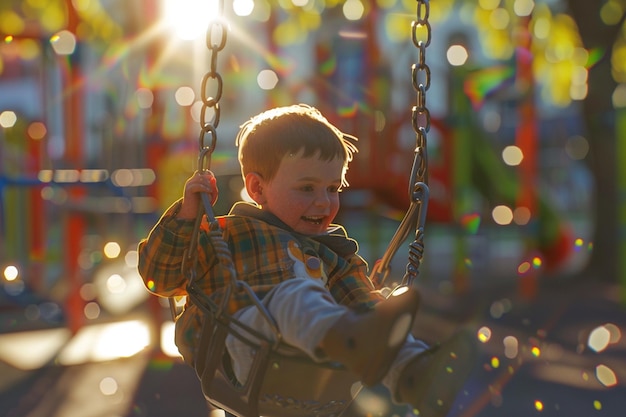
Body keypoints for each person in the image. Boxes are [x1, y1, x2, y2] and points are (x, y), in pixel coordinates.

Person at [138, 104, 475, 417]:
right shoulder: (228, 233)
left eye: (333, 188)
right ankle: (346, 339)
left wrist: (387, 326)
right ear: (257, 188)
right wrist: (186, 217)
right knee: (293, 295)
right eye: (307, 188)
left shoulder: (332, 253)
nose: (324, 202)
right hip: (240, 351)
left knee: (379, 313)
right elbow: (161, 275)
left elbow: (363, 306)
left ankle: (414, 374)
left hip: (309, 366)